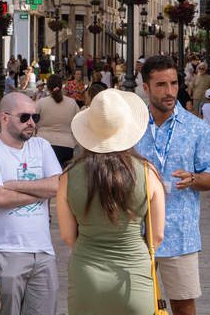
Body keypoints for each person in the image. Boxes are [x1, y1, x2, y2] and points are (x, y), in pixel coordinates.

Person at [57, 89, 166, 314]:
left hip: (86, 275)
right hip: (133, 278)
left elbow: (67, 235)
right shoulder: (147, 173)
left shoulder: (69, 174)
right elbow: (157, 235)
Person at [135, 55, 210, 315]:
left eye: (174, 83)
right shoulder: (132, 127)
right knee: (135, 307)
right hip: (134, 235)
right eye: (161, 85)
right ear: (146, 88)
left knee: (183, 306)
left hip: (179, 235)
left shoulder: (197, 129)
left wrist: (193, 179)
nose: (170, 91)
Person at [0, 92, 63, 315]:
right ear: (4, 118)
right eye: (24, 117)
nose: (31, 122)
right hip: (4, 251)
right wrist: (40, 192)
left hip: (43, 251)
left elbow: (59, 186)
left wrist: (11, 184)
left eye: (35, 117)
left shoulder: (41, 146)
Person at [35, 75, 80, 169]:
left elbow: (32, 121)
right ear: (61, 85)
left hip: (43, 143)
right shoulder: (72, 103)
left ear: (48, 87)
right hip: (66, 145)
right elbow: (79, 123)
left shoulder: (41, 102)